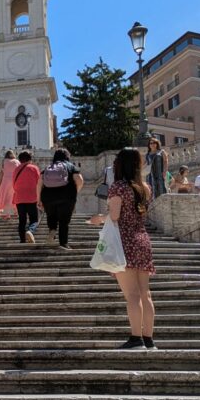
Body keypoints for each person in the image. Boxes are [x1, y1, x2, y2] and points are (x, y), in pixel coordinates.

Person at [89, 147, 156, 351]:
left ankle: (136, 338)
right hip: (142, 240)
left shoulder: (118, 187)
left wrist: (99, 219)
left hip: (124, 241)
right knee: (146, 294)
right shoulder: (144, 187)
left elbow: (115, 216)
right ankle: (149, 339)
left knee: (132, 295)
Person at [38, 148, 84, 250]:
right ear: (67, 157)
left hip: (48, 197)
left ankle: (52, 230)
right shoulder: (70, 166)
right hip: (66, 196)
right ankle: (63, 243)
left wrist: (39, 199)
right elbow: (79, 179)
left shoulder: (48, 167)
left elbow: (39, 183)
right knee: (64, 221)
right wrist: (75, 191)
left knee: (51, 215)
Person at [12, 151, 41, 244]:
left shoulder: (16, 170)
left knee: (22, 220)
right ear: (30, 159)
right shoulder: (34, 168)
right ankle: (30, 231)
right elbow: (39, 183)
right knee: (34, 219)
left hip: (19, 198)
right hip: (32, 197)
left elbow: (13, 184)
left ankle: (22, 241)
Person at [0, 150, 19, 217]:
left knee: (7, 198)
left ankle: (7, 214)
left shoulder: (4, 161)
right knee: (15, 197)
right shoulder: (16, 161)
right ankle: (16, 212)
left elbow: (1, 170)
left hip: (6, 181)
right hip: (15, 180)